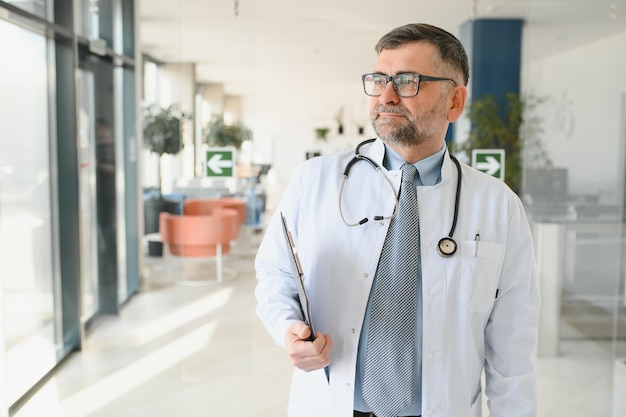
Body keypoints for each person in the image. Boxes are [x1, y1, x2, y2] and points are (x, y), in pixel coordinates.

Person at [255, 23, 540, 417]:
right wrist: (288, 329)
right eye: (379, 79)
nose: (386, 96)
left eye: (408, 81)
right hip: (330, 404)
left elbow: (514, 351)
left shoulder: (498, 206)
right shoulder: (315, 181)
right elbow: (275, 274)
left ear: (455, 102)